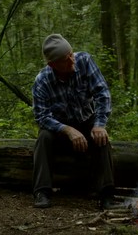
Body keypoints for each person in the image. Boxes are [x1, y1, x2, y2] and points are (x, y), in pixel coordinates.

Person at [31, 34, 116, 209]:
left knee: (102, 140)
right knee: (43, 138)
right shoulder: (42, 80)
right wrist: (68, 130)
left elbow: (103, 93)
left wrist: (99, 124)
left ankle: (107, 194)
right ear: (52, 64)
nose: (72, 60)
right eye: (65, 59)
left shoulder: (84, 60)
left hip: (86, 120)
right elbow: (42, 117)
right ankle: (42, 192)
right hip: (59, 129)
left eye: (71, 54)